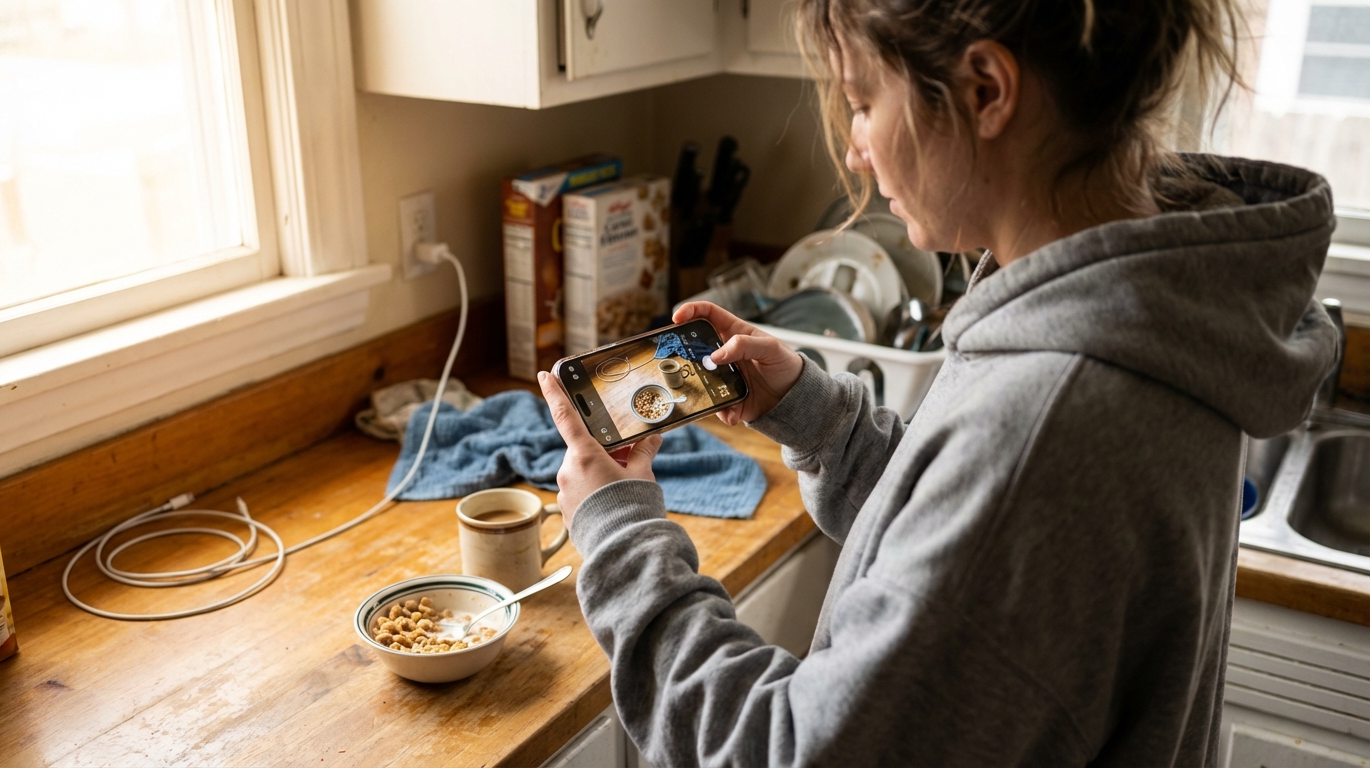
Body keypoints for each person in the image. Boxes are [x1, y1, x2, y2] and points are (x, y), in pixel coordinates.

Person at [538, 0, 1339, 764]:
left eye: (861, 102)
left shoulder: (1047, 422)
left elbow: (789, 753)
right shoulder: (1146, 301)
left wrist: (619, 538)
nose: (855, 149)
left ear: (986, 91)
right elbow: (977, 548)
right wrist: (822, 422)